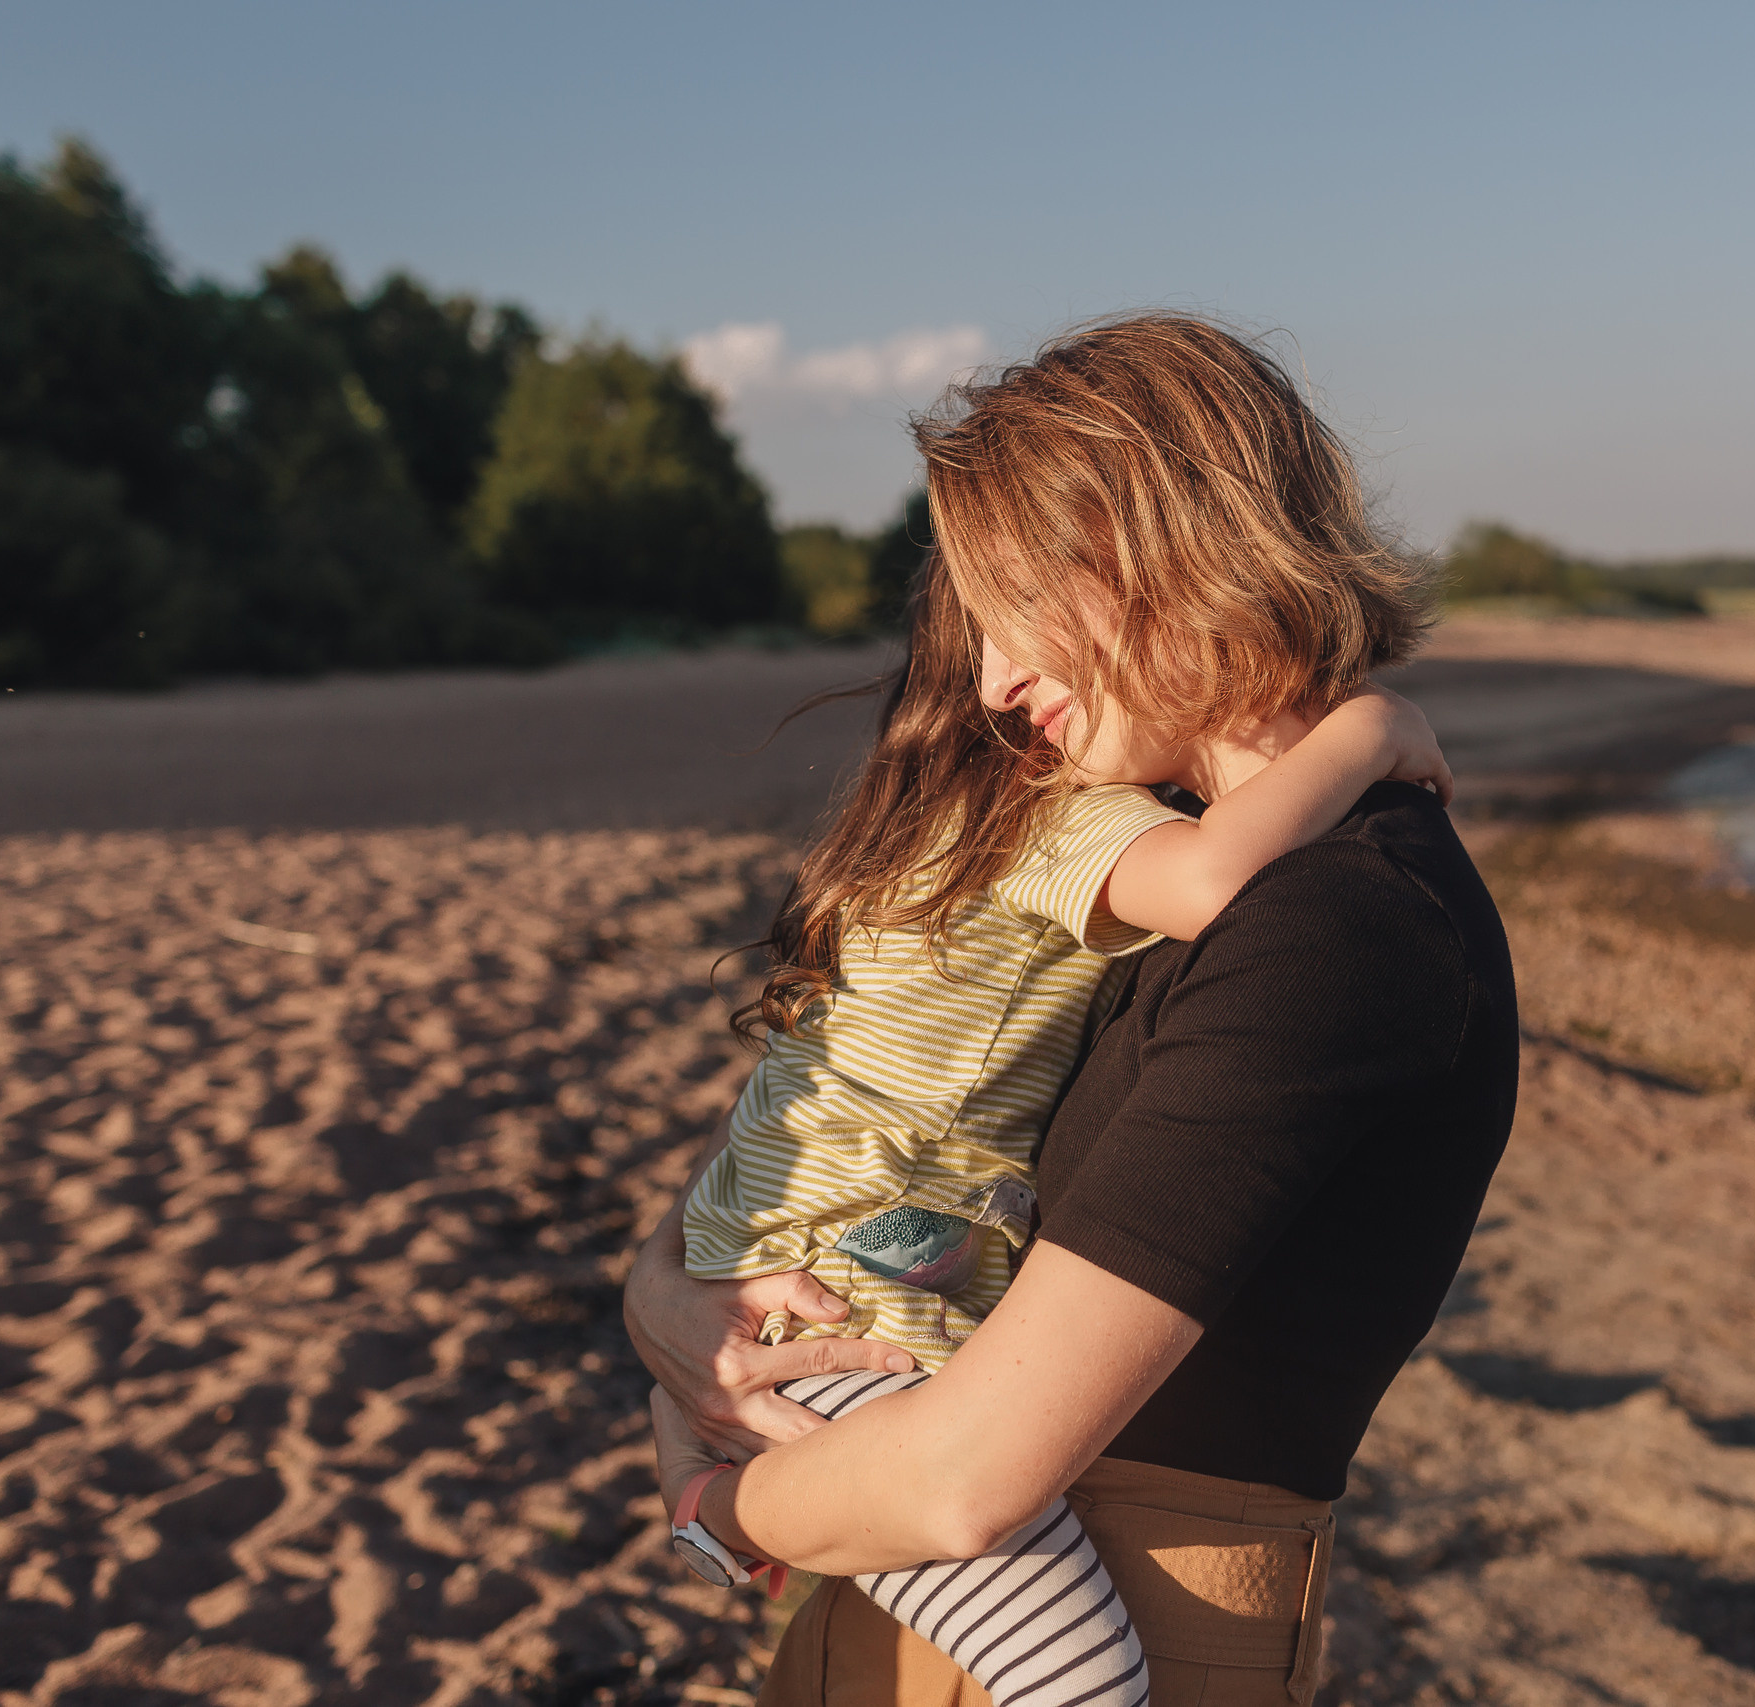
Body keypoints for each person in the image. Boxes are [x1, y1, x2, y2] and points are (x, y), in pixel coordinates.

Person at [628, 313, 1518, 1706]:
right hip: (910, 1607)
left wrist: (716, 1513)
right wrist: (659, 1295)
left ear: (1158, 548)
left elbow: (968, 1482)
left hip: (1121, 1634)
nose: (991, 684)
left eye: (1014, 607)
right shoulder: (1142, 873)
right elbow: (876, 1105)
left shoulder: (1341, 922)